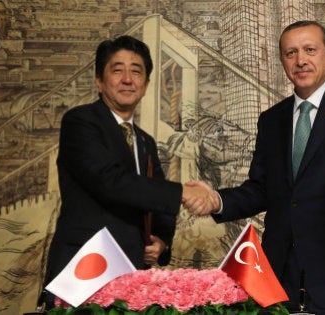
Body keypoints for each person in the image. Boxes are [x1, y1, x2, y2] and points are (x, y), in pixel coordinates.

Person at [185, 21, 325, 314]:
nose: (300, 60)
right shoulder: (271, 120)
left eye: (309, 50)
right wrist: (217, 200)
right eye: (290, 53)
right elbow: (261, 189)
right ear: (282, 61)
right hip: (281, 282)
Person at [41, 35, 207, 309]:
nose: (127, 79)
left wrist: (163, 240)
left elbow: (157, 200)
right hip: (84, 271)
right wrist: (183, 192)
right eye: (117, 70)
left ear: (146, 85)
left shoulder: (145, 141)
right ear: (99, 80)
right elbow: (112, 182)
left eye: (136, 71)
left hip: (132, 276)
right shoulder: (80, 122)